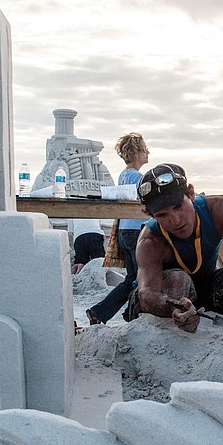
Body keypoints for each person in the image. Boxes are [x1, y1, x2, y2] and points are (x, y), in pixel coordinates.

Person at [129, 163, 223, 333]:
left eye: (178, 206)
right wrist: (171, 308)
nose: (175, 220)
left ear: (191, 194)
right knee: (178, 280)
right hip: (164, 297)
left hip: (202, 288)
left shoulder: (221, 208)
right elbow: (147, 294)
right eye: (162, 215)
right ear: (152, 216)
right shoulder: (150, 241)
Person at [86, 132, 150, 324]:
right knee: (142, 277)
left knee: (131, 277)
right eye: (146, 150)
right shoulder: (139, 177)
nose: (148, 153)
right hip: (137, 230)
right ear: (137, 153)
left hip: (123, 231)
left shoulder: (123, 175)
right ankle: (135, 314)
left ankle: (100, 312)